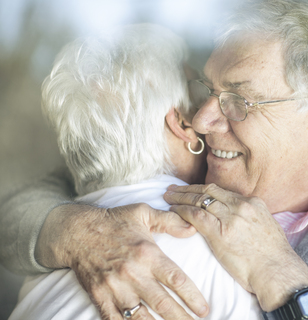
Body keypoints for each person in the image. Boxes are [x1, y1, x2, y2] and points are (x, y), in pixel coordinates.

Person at [1, 1, 308, 320]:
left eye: (239, 99)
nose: (201, 119)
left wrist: (282, 281)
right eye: (208, 89)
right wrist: (81, 232)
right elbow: (18, 213)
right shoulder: (189, 165)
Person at [8, 24, 260, 320]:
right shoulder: (214, 248)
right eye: (198, 92)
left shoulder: (40, 268)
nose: (207, 113)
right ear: (181, 124)